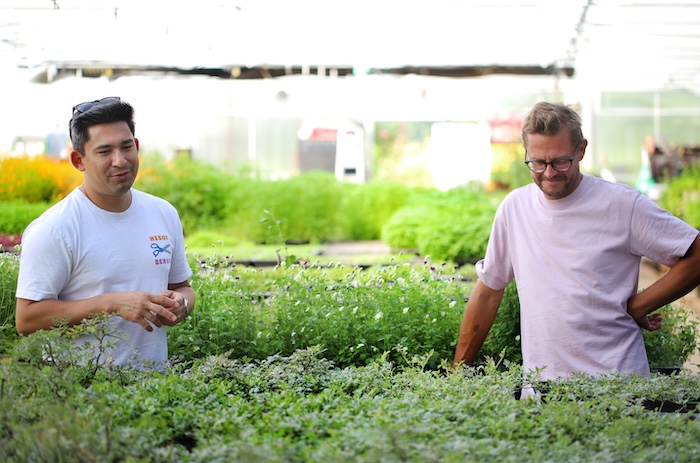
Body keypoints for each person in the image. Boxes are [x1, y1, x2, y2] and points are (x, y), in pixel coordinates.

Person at [453, 101, 700, 388]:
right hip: (543, 393)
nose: (548, 173)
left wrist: (639, 305)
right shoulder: (514, 208)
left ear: (581, 150)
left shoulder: (622, 205)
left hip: (618, 387)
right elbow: (487, 292)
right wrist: (457, 377)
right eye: (537, 162)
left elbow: (695, 255)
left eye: (560, 161)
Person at [15, 97, 195, 370]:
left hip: (156, 390)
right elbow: (27, 320)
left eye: (126, 147)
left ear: (136, 147)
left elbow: (182, 287)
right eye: (104, 151)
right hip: (82, 394)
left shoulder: (163, 213)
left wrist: (182, 304)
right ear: (78, 160)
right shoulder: (55, 228)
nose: (120, 161)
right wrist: (110, 303)